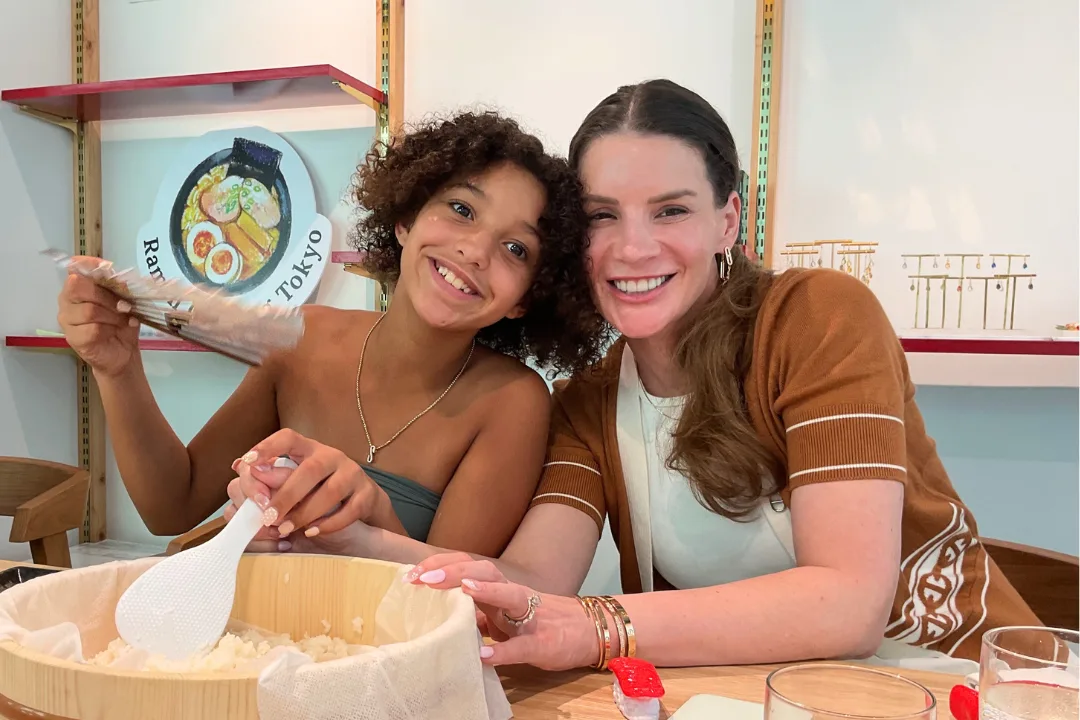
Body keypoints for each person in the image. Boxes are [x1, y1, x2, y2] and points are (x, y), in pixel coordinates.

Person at [228, 80, 1039, 671]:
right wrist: (354, 537)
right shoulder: (588, 398)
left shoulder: (818, 318)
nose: (632, 248)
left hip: (956, 681)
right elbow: (528, 583)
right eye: (604, 216)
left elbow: (848, 603)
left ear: (729, 219)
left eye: (672, 211)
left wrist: (595, 625)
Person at [57, 110, 608, 558]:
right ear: (405, 218)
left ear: (528, 298)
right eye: (461, 209)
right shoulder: (302, 340)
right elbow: (169, 508)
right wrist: (118, 367)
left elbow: (450, 595)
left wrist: (369, 508)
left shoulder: (512, 402)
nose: (476, 251)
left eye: (517, 249)